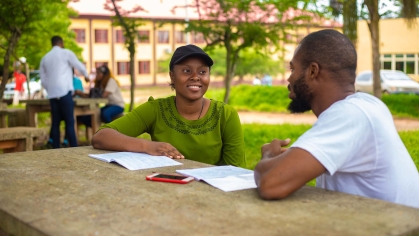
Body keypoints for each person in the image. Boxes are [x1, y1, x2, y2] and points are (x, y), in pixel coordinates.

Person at [254, 30, 419, 209]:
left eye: (293, 69)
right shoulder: (368, 105)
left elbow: (270, 184)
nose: (289, 78)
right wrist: (295, 158)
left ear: (312, 71)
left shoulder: (350, 114)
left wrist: (269, 156)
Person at [91, 44, 247, 167]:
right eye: (186, 71)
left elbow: (236, 170)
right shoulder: (156, 110)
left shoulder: (225, 115)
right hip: (165, 192)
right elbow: (101, 137)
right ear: (172, 76)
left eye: (202, 72)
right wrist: (147, 146)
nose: (195, 77)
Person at [40, 36, 89, 149]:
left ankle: (56, 148)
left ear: (52, 44)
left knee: (55, 122)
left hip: (52, 95)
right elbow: (78, 65)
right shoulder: (66, 53)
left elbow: (43, 79)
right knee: (70, 122)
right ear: (61, 43)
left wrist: (50, 89)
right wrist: (86, 75)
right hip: (65, 92)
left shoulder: (45, 58)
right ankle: (74, 147)